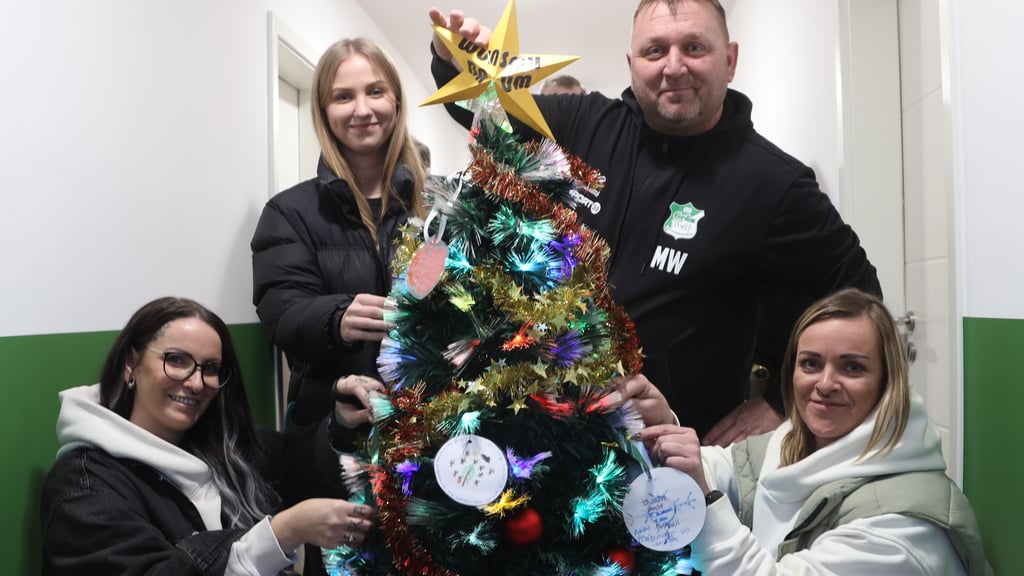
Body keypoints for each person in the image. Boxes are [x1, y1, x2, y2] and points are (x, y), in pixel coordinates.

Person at [428, 0, 881, 445]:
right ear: (632, 63)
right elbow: (484, 111)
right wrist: (457, 59)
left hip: (668, 456)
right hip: (548, 443)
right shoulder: (584, 124)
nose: (674, 66)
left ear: (730, 60)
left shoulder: (774, 186)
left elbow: (858, 295)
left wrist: (781, 403)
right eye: (655, 51)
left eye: (695, 48)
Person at [631, 288, 991, 574]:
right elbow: (721, 468)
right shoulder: (793, 443)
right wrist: (662, 426)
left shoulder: (903, 530)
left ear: (887, 382)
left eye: (852, 367)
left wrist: (706, 499)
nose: (825, 383)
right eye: (810, 363)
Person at [40, 297, 380, 576]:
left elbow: (294, 460)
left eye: (210, 368)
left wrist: (340, 422)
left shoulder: (221, 446)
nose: (195, 382)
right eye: (176, 361)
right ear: (131, 363)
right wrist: (282, 531)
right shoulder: (84, 486)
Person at [251, 37, 426, 428]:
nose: (362, 110)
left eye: (375, 92)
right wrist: (335, 319)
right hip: (334, 426)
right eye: (343, 97)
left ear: (395, 100)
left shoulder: (440, 206)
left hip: (439, 427)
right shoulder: (288, 212)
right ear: (324, 111)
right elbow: (281, 313)